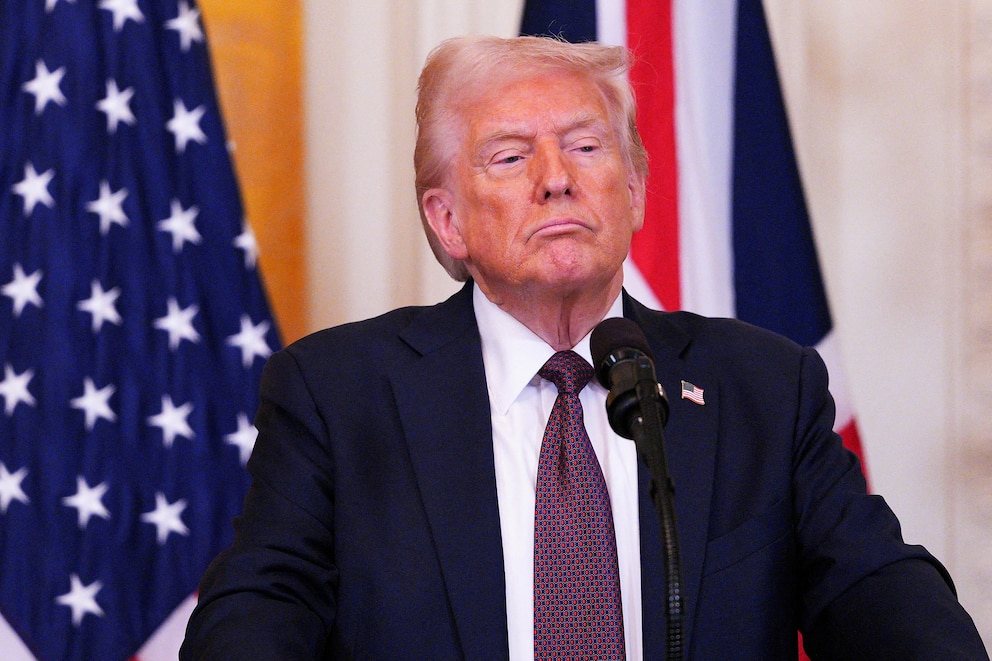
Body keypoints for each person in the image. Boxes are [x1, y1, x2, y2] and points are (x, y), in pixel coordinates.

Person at [181, 35, 988, 659]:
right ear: (447, 219)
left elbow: (876, 586)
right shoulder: (339, 394)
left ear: (634, 191)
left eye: (586, 146)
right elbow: (259, 609)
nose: (556, 177)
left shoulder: (761, 387)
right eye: (509, 156)